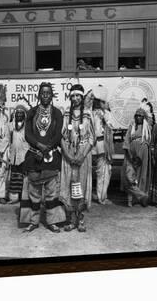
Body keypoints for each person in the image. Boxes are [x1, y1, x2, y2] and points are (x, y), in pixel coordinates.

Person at [19, 82, 66, 233]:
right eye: (43, 93)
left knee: (52, 192)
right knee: (34, 192)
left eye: (48, 93)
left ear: (52, 96)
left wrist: (48, 147)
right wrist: (39, 146)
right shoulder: (31, 112)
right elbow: (27, 134)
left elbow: (58, 134)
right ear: (38, 95)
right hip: (34, 155)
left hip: (51, 156)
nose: (45, 95)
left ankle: (52, 221)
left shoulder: (57, 113)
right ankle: (33, 221)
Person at [60, 84, 95, 232]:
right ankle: (71, 219)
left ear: (82, 97)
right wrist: (67, 155)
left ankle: (80, 219)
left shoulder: (88, 113)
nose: (75, 99)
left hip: (83, 155)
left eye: (78, 96)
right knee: (68, 186)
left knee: (80, 186)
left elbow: (92, 138)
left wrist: (82, 155)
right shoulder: (66, 113)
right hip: (68, 154)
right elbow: (61, 136)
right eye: (73, 96)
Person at [121, 107, 151, 207]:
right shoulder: (132, 127)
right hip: (132, 154)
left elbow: (149, 141)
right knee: (130, 177)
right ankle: (132, 199)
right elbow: (126, 143)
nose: (138, 117)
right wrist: (131, 157)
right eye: (137, 115)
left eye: (140, 116)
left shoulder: (147, 128)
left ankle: (140, 199)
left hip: (143, 153)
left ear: (143, 117)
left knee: (142, 175)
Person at [91, 85, 115, 205]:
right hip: (90, 147)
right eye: (96, 101)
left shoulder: (106, 114)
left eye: (100, 101)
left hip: (102, 145)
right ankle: (85, 197)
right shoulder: (89, 113)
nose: (98, 103)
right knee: (89, 173)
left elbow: (110, 127)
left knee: (104, 172)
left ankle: (101, 197)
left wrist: (105, 117)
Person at [7, 97, 31, 204]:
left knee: (24, 177)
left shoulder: (28, 127)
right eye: (17, 113)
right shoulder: (11, 125)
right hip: (14, 156)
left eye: (21, 113)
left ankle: (24, 197)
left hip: (24, 155)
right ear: (14, 115)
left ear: (24, 115)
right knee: (14, 177)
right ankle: (14, 197)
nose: (19, 115)